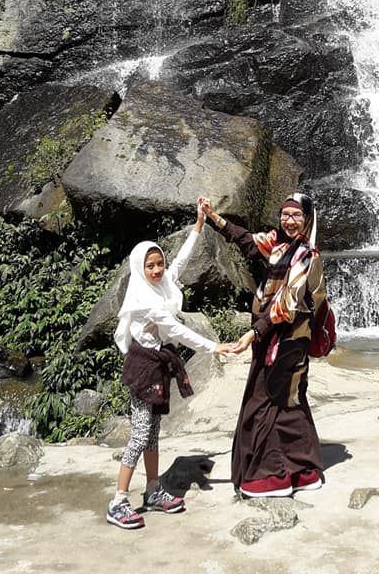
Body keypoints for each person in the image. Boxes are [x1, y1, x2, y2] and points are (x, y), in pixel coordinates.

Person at [107, 201, 235, 530]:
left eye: (158, 263)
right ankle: (118, 501)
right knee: (138, 436)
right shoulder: (145, 298)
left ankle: (152, 491)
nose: (157, 270)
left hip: (158, 362)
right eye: (149, 266)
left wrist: (198, 224)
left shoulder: (163, 282)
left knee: (152, 436)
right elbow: (176, 330)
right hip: (143, 366)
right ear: (139, 268)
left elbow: (181, 261)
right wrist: (214, 347)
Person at [199, 191, 326, 498]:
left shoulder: (306, 257)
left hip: (287, 337)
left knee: (267, 400)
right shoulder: (278, 244)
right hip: (274, 336)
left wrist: (253, 334)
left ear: (307, 220)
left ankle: (274, 475)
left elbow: (287, 304)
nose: (289, 220)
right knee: (288, 398)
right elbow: (246, 240)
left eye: (296, 215)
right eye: (285, 214)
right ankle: (305, 470)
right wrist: (213, 217)